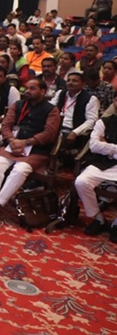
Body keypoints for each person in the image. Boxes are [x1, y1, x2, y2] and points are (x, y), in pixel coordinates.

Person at [0, 78, 60, 220]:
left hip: (35, 150)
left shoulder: (52, 110)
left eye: (32, 89)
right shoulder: (18, 105)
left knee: (20, 170)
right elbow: (6, 125)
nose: (27, 91)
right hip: (13, 145)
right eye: (26, 88)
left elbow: (49, 134)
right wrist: (12, 140)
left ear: (43, 91)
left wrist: (26, 142)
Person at [75, 97, 117, 241]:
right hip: (102, 163)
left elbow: (101, 146)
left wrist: (107, 146)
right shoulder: (104, 121)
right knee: (81, 182)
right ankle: (98, 218)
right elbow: (94, 146)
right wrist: (114, 150)